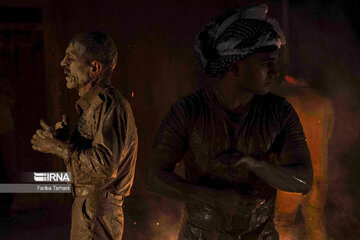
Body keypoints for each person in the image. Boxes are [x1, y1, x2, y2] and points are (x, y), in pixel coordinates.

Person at [146, 4, 313, 240]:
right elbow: (154, 176)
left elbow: (304, 180)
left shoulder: (280, 112)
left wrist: (256, 165)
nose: (275, 71)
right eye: (266, 63)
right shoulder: (189, 110)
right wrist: (214, 198)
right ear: (236, 65)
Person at [31, 31, 138, 240]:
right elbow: (87, 166)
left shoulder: (109, 105)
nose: (63, 63)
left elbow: (105, 166)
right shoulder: (94, 105)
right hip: (90, 209)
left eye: (70, 58)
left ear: (94, 68)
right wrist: (67, 141)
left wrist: (58, 148)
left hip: (97, 213)